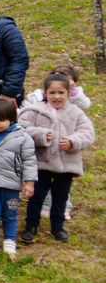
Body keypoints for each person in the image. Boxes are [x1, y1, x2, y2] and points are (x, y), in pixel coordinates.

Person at [19, 73, 95, 244]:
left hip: (66, 164)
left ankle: (57, 226)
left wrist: (73, 141)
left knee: (61, 195)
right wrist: (41, 135)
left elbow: (88, 133)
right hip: (41, 163)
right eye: (52, 92)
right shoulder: (36, 110)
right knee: (37, 195)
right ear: (45, 93)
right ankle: (31, 225)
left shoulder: (75, 112)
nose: (57, 96)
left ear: (68, 93)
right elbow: (22, 128)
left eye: (61, 92)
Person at [0, 99, 37, 258]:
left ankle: (10, 239)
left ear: (11, 119)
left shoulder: (22, 137)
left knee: (10, 212)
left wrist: (29, 182)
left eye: (1, 120)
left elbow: (30, 160)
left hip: (11, 184)